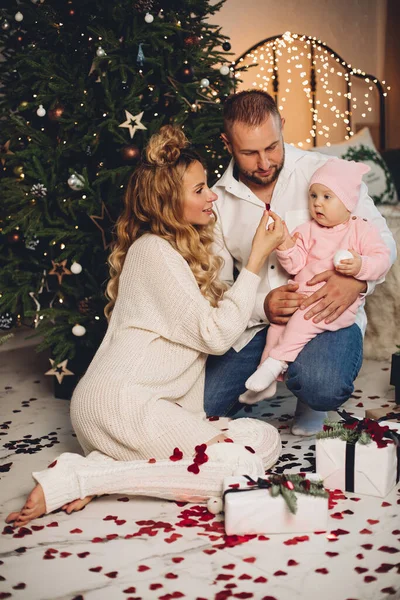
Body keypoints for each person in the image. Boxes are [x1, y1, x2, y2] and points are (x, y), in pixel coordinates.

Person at [6, 125, 285, 528]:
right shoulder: (153, 250)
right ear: (170, 202)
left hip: (133, 407)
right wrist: (257, 259)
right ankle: (85, 477)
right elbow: (218, 335)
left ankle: (100, 470)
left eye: (208, 186)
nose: (212, 196)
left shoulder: (176, 251)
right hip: (122, 404)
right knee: (242, 465)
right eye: (200, 189)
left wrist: (267, 303)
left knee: (263, 439)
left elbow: (221, 311)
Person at [204, 90, 396, 435]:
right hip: (257, 325)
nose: (264, 162)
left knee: (322, 384)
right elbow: (214, 285)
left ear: (283, 128)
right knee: (206, 404)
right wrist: (261, 306)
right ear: (227, 143)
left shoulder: (324, 173)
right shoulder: (217, 201)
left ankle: (307, 392)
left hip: (326, 314)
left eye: (272, 146)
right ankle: (264, 380)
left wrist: (357, 281)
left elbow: (384, 244)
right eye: (249, 152)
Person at [240, 158, 391, 401]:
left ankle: (276, 363)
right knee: (277, 327)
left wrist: (360, 266)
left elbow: (382, 258)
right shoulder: (308, 229)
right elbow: (295, 264)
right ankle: (267, 375)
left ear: (347, 201)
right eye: (313, 196)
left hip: (333, 307)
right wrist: (286, 243)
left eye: (327, 197)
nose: (317, 203)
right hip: (304, 297)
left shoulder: (360, 230)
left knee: (302, 320)